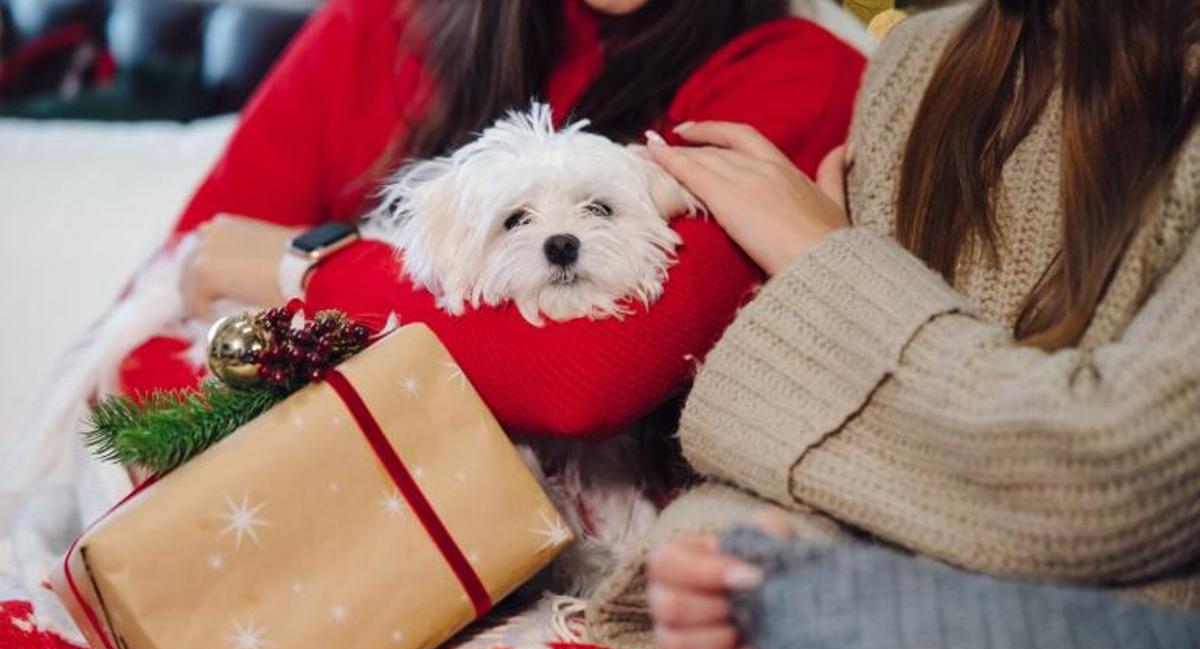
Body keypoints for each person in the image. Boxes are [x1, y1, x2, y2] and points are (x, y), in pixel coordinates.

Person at [577, 0, 1200, 649]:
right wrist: (734, 558)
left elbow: (1116, 481)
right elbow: (853, 448)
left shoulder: (800, 65)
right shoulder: (921, 57)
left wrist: (827, 259)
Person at [115, 0, 866, 440]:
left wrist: (305, 268)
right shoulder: (378, 27)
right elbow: (159, 329)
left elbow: (579, 375)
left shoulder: (794, 76)